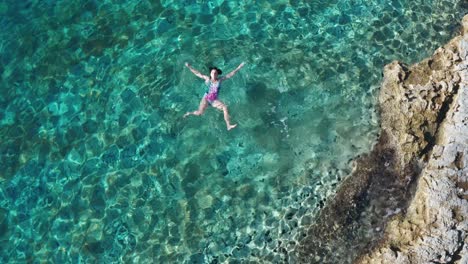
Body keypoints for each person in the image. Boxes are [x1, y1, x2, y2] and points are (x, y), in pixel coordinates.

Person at [183, 62, 245, 130]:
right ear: (210, 74)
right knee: (199, 113)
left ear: (217, 74)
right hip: (206, 99)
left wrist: (239, 67)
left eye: (215, 73)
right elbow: (197, 73)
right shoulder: (207, 79)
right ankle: (189, 113)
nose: (214, 74)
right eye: (212, 73)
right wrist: (189, 67)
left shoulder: (220, 80)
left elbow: (230, 74)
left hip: (214, 100)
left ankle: (228, 125)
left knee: (225, 107)